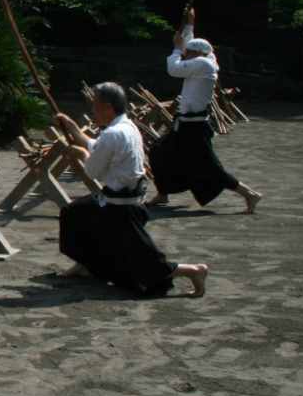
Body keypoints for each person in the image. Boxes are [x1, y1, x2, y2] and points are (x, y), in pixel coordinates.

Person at [55, 83, 210, 298]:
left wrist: (80, 153)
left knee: (144, 261)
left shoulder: (113, 133)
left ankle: (193, 270)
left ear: (108, 108)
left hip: (120, 207)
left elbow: (92, 170)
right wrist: (72, 128)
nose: (93, 112)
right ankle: (86, 264)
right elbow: (96, 146)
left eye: (95, 107)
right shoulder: (126, 126)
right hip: (121, 197)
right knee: (74, 213)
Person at [149, 7, 262, 214]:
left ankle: (250, 194)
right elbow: (190, 45)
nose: (186, 55)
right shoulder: (205, 59)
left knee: (210, 169)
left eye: (189, 53)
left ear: (198, 54)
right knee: (158, 152)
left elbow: (173, 68)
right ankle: (163, 192)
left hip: (194, 127)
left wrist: (175, 48)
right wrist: (190, 23)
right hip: (185, 124)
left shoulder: (202, 64)